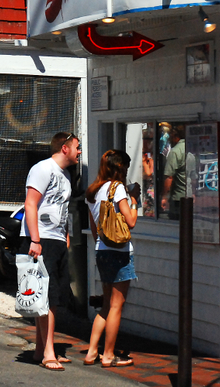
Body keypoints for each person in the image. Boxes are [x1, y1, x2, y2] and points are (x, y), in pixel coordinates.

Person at [21, 131, 81, 371]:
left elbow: (62, 209)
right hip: (40, 239)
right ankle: (49, 353)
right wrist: (35, 240)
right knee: (47, 297)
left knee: (48, 297)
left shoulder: (65, 175)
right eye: (77, 147)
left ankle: (40, 349)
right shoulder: (42, 169)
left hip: (56, 239)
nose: (79, 152)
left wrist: (65, 235)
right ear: (64, 148)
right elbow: (31, 203)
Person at [84, 150, 139, 368]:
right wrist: (134, 200)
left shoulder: (93, 191)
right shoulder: (118, 190)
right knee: (117, 306)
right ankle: (108, 355)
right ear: (119, 168)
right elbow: (131, 221)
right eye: (125, 167)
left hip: (102, 250)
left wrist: (102, 245)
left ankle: (91, 352)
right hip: (119, 252)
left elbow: (94, 228)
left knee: (107, 305)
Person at [162, 125, 187, 219]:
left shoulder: (175, 152)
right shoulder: (191, 148)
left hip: (178, 197)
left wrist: (164, 197)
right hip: (190, 195)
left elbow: (169, 177)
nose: (169, 139)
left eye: (171, 136)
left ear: (176, 136)